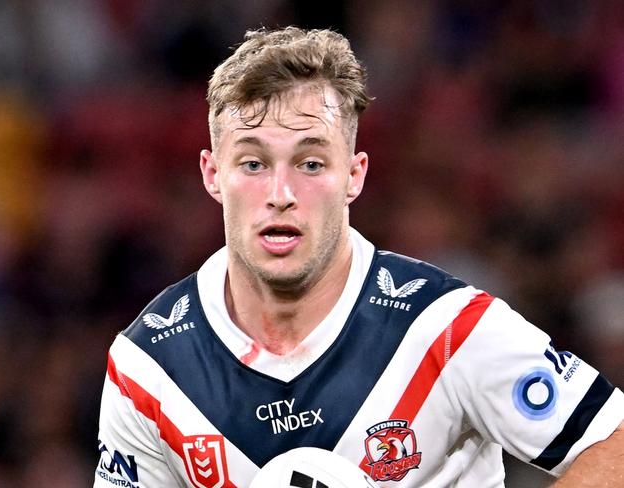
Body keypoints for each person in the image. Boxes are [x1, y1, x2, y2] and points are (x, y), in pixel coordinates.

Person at [94, 27, 624, 487]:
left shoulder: (446, 326)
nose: (281, 191)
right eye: (253, 163)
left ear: (354, 175)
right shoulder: (150, 367)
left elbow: (615, 444)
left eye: (310, 163)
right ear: (213, 174)